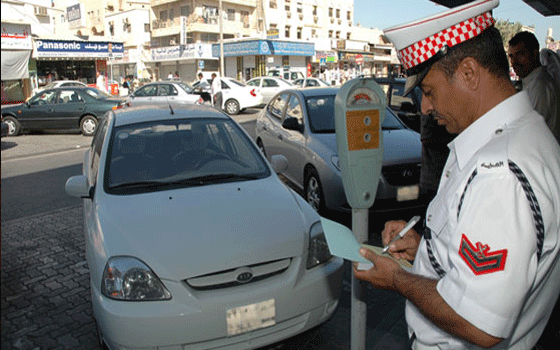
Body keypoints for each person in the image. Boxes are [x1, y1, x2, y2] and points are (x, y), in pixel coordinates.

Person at [354, 1, 560, 350]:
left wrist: (400, 280)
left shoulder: (501, 173)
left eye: (429, 91)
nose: (425, 108)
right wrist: (424, 252)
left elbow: (479, 323)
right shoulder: (516, 138)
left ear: (468, 73)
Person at [508, 31, 560, 143]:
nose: (514, 62)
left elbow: (530, 132)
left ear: (534, 53)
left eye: (520, 54)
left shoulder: (539, 85)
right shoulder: (531, 82)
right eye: (511, 56)